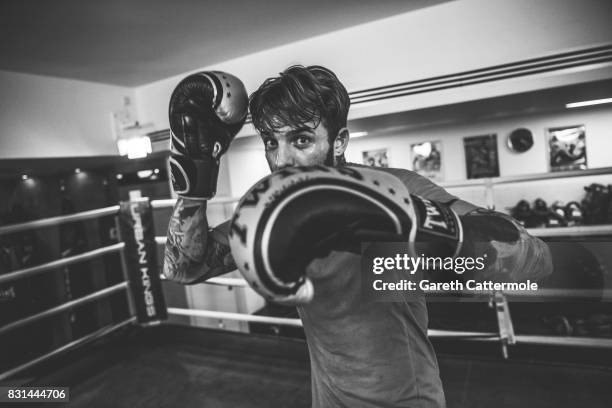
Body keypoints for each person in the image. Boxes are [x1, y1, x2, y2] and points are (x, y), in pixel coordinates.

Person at [163, 66, 553, 407]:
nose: (280, 161)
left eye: (300, 139)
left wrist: (414, 218)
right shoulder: (274, 206)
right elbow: (183, 268)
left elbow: (534, 260)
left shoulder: (395, 187)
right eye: (271, 141)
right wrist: (194, 181)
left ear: (340, 141)